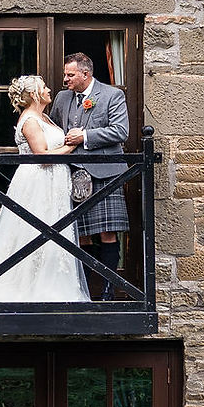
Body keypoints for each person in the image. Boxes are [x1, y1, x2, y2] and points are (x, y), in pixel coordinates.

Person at [0, 74, 90, 303]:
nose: (49, 89)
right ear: (34, 94)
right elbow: (41, 156)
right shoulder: (31, 121)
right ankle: (30, 286)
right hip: (39, 182)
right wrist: (71, 147)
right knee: (34, 230)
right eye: (44, 87)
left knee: (55, 229)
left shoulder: (43, 117)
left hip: (54, 181)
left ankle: (54, 283)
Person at [49, 52, 130, 300]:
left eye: (70, 75)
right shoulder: (63, 98)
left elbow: (121, 131)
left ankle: (108, 288)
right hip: (72, 174)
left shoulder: (111, 95)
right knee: (79, 234)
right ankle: (82, 289)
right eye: (65, 74)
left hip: (105, 174)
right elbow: (52, 128)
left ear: (86, 74)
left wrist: (84, 137)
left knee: (107, 232)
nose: (65, 79)